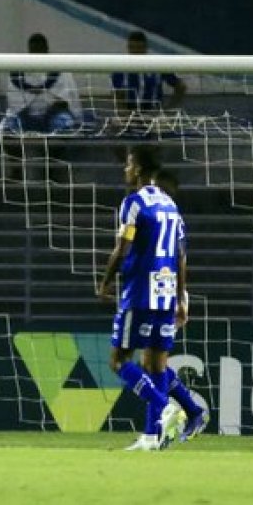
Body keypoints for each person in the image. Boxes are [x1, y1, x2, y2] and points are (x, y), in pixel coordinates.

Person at [98, 146, 207, 451]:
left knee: (119, 361)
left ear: (139, 169)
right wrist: (182, 297)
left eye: (129, 164)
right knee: (156, 367)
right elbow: (181, 256)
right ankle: (154, 434)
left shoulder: (133, 203)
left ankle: (166, 406)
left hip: (139, 292)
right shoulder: (171, 206)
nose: (125, 170)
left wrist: (105, 282)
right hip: (166, 292)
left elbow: (122, 248)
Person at [3, 33, 81, 133]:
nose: (37, 53)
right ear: (29, 51)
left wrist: (53, 108)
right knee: (9, 128)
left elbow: (68, 98)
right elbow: (14, 104)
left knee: (63, 123)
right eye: (34, 50)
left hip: (53, 114)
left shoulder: (61, 68)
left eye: (40, 50)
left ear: (47, 49)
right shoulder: (17, 72)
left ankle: (55, 145)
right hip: (25, 116)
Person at [110, 31, 187, 116]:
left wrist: (168, 109)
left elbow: (181, 86)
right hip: (129, 112)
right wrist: (122, 112)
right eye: (132, 47)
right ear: (128, 48)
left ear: (145, 48)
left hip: (154, 112)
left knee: (162, 126)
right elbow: (117, 94)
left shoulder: (157, 65)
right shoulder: (120, 68)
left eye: (139, 48)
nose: (135, 51)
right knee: (115, 125)